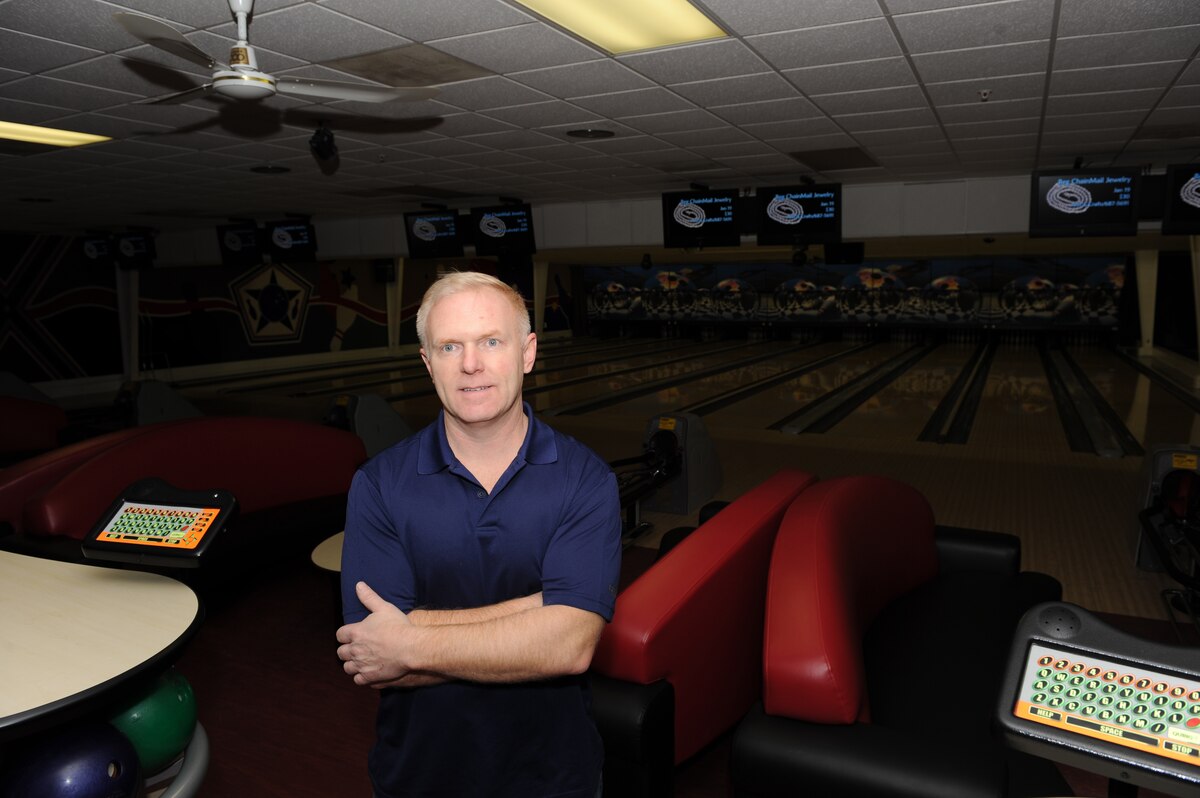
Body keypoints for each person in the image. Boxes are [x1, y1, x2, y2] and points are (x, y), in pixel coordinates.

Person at [336, 271, 622, 798]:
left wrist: (410, 638)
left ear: (528, 352)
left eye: (491, 341)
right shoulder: (378, 484)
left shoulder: (586, 479)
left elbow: (569, 647)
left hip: (553, 778)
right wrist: (540, 611)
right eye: (450, 346)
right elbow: (376, 660)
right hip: (419, 776)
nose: (471, 364)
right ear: (427, 362)